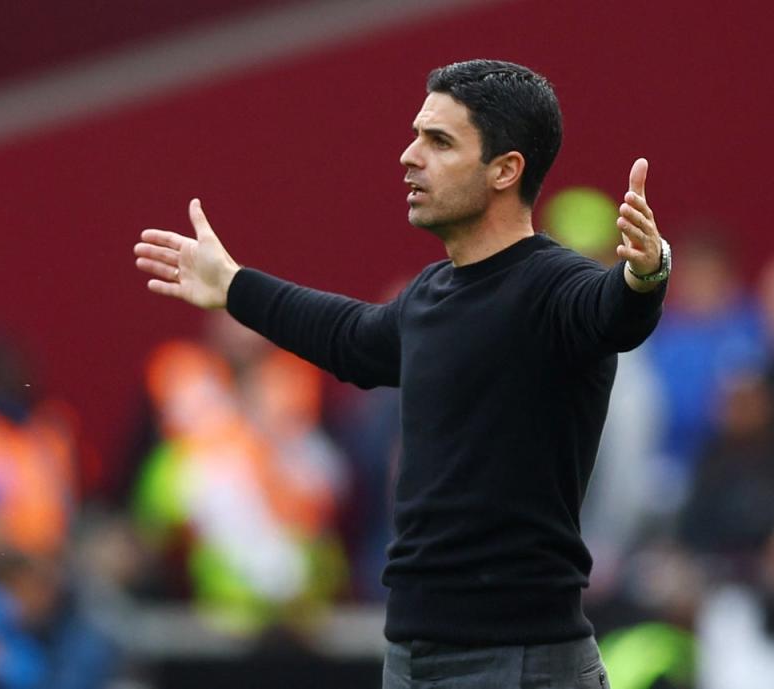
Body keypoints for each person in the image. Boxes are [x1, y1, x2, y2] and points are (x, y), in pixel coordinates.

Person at [133, 59, 670, 688]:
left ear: (505, 169)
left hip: (520, 663)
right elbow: (350, 339)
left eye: (439, 141)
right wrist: (234, 286)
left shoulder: (553, 286)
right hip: (413, 661)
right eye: (417, 134)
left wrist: (647, 272)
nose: (408, 156)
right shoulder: (432, 294)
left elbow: (613, 313)